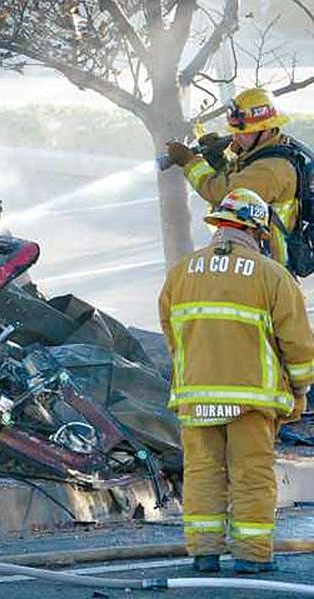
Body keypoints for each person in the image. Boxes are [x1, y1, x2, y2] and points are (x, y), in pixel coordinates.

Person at [159, 188, 314, 574]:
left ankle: (204, 554)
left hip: (196, 397)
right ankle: (252, 556)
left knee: (202, 473)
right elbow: (297, 345)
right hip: (251, 400)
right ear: (258, 230)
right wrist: (299, 390)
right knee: (251, 474)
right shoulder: (271, 275)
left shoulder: (180, 273)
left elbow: (173, 335)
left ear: (219, 226)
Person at [165, 87, 298, 266]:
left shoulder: (271, 169)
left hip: (270, 267)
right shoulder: (261, 154)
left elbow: (225, 194)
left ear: (264, 129)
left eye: (243, 132)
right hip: (255, 260)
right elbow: (238, 180)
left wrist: (189, 162)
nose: (236, 137)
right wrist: (217, 161)